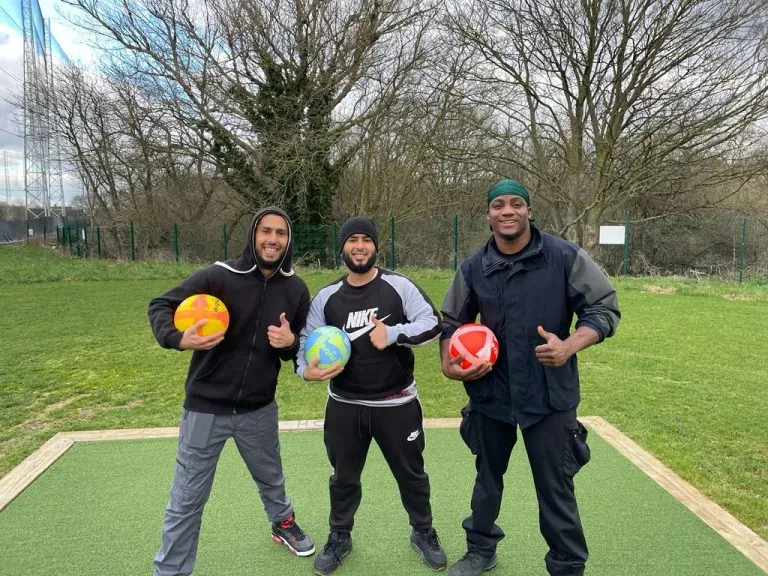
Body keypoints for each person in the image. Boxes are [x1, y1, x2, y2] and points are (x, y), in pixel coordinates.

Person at [440, 180, 621, 576]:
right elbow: (451, 323)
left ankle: (568, 565)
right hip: (491, 394)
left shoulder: (563, 257)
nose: (508, 211)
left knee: (556, 488)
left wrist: (570, 345)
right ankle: (480, 550)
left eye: (516, 204)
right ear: (488, 214)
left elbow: (604, 308)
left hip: (549, 395)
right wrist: (448, 364)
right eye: (498, 205)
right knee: (487, 481)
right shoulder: (473, 268)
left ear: (528, 211)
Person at [147, 207, 315, 576]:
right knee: (187, 499)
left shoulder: (296, 289)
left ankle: (282, 523)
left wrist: (288, 344)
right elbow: (160, 304)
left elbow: (297, 348)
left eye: (281, 234)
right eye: (266, 231)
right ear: (253, 235)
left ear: (288, 240)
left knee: (271, 476)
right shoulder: (219, 276)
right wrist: (177, 338)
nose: (273, 239)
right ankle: (171, 570)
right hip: (205, 408)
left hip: (259, 408)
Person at [297, 216, 448, 575]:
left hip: (396, 404)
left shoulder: (398, 286)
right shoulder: (327, 297)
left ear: (376, 246)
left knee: (411, 474)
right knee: (343, 477)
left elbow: (433, 324)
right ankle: (340, 537)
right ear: (343, 247)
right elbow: (306, 339)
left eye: (366, 239)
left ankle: (423, 532)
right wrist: (306, 369)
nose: (359, 246)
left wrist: (393, 334)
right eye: (352, 240)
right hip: (345, 406)